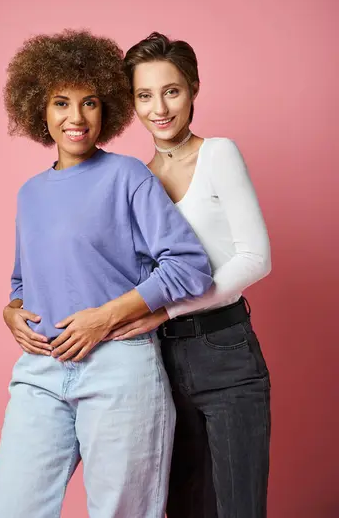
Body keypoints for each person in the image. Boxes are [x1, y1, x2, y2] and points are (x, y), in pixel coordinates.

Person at [0, 30, 213, 518]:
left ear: (106, 108)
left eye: (89, 103)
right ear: (39, 111)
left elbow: (189, 265)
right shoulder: (30, 193)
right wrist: (11, 312)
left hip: (118, 369)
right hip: (41, 373)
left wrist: (106, 318)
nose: (76, 117)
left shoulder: (128, 176)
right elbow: (24, 283)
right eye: (61, 103)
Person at [112, 32, 272, 518]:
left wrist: (164, 309)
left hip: (226, 353)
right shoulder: (137, 178)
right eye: (144, 95)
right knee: (182, 507)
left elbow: (255, 259)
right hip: (160, 362)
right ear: (133, 103)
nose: (159, 107)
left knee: (237, 507)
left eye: (171, 90)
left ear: (194, 88)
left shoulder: (219, 153)